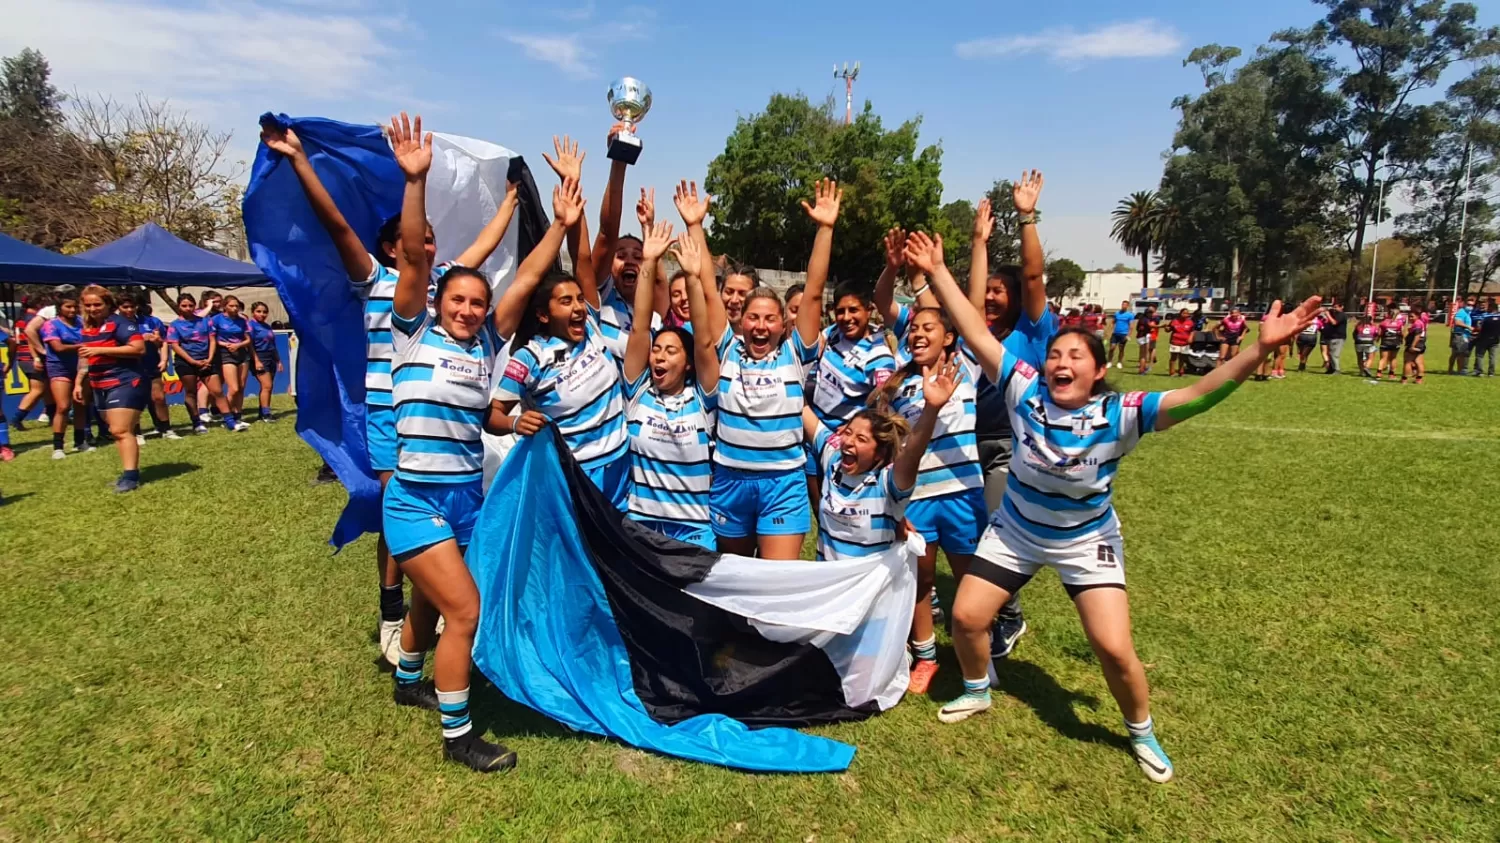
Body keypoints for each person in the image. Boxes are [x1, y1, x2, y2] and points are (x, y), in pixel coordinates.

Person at [908, 224, 1321, 783]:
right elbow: (976, 330)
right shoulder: (1023, 389)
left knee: (1112, 648)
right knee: (965, 616)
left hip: (1086, 540)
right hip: (1017, 531)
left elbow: (1198, 396)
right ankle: (979, 689)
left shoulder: (1121, 413)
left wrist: (1260, 349)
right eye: (1056, 353)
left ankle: (1141, 730)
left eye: (1076, 355)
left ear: (1098, 370)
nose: (1062, 361)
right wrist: (937, 271)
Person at [260, 118, 518, 667]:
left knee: (438, 509)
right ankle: (392, 610)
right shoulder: (376, 280)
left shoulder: (448, 286)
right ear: (390, 246)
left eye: (431, 239)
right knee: (398, 508)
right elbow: (336, 225)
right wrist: (301, 160)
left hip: (436, 413)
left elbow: (484, 245)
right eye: (417, 239)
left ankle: (436, 607)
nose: (427, 244)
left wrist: (511, 202)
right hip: (386, 412)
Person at [377, 114, 515, 772]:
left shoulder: (484, 346)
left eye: (476, 303)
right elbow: (412, 256)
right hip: (415, 500)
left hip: (466, 497)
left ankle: (409, 677)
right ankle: (458, 737)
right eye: (456, 300)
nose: (466, 310)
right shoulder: (412, 332)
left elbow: (522, 278)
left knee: (433, 597)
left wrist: (559, 225)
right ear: (438, 302)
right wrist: (416, 182)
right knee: (465, 610)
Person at [699, 180, 835, 560]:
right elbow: (709, 292)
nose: (760, 326)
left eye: (769, 318)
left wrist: (825, 229)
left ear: (783, 324)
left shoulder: (795, 354)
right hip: (730, 481)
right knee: (737, 581)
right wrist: (695, 226)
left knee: (776, 583)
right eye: (753, 318)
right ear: (741, 321)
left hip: (783, 484)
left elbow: (814, 290)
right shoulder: (728, 349)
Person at [490, 152, 630, 509]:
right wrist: (515, 423)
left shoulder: (592, 326)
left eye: (580, 299)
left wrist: (572, 183)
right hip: (575, 478)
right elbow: (493, 415)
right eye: (565, 302)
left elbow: (582, 258)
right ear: (542, 314)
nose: (579, 307)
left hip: (621, 468)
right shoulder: (529, 357)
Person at [868, 306, 984, 694]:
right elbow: (890, 446)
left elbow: (972, 316)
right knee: (921, 579)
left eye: (928, 328)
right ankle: (926, 656)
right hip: (918, 496)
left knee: (973, 581)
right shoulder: (897, 387)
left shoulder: (967, 366)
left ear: (949, 337)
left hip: (963, 494)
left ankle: (979, 656)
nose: (917, 334)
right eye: (913, 328)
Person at [619, 223, 720, 548]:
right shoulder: (638, 392)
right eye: (657, 349)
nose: (660, 356)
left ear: (688, 363)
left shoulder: (703, 399)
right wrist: (649, 261)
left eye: (671, 351)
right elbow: (639, 326)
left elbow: (704, 340)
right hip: (641, 527)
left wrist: (692, 277)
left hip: (694, 531)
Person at [802, 355, 956, 560]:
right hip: (829, 578)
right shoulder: (833, 457)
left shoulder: (888, 482)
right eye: (848, 432)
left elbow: (912, 452)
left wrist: (931, 408)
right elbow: (804, 410)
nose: (848, 442)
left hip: (871, 579)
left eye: (861, 439)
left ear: (880, 452)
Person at [77, 286, 147, 492]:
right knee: (116, 432)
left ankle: (131, 478)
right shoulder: (88, 327)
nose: (92, 309)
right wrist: (79, 383)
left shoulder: (121, 323)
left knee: (120, 430)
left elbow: (138, 348)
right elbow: (85, 357)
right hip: (99, 383)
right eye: (88, 305)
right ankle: (127, 474)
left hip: (125, 381)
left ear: (108, 304)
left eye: (97, 304)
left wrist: (100, 349)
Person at [166, 293, 225, 434]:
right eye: (184, 306)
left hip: (206, 360)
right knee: (191, 392)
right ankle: (197, 423)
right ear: (179, 306)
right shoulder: (174, 325)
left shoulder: (205, 321)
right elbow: (175, 345)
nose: (188, 308)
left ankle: (230, 420)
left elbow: (212, 340)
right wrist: (192, 361)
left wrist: (209, 358)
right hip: (186, 362)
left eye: (190, 305)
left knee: (217, 390)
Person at [41, 293, 89, 458]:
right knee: (63, 406)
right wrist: (81, 346)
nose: (72, 310)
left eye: (75, 306)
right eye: (68, 307)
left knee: (80, 404)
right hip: (59, 368)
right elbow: (58, 347)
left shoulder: (82, 322)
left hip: (81, 367)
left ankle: (80, 441)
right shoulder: (50, 325)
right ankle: (58, 447)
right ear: (59, 308)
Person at [129, 299, 178, 439]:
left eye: (132, 306)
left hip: (151, 363)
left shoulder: (151, 321)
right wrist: (141, 338)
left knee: (159, 398)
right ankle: (136, 433)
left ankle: (166, 429)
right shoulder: (118, 324)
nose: (129, 310)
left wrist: (164, 359)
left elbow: (163, 341)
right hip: (130, 367)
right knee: (135, 400)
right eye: (125, 307)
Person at [210, 295, 254, 432]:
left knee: (241, 387)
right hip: (225, 353)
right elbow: (212, 339)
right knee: (233, 388)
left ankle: (237, 416)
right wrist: (226, 345)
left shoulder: (242, 320)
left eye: (237, 306)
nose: (235, 308)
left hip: (242, 353)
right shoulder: (216, 319)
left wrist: (239, 345)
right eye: (231, 306)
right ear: (225, 306)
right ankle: (227, 417)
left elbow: (248, 339)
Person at [249, 302, 281, 423]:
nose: (262, 314)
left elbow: (272, 345)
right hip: (259, 356)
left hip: (270, 357)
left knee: (268, 387)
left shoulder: (267, 326)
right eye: (259, 311)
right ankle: (266, 415)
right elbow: (250, 345)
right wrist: (256, 361)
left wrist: (278, 361)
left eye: (264, 312)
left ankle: (262, 412)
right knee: (267, 385)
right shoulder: (251, 325)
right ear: (253, 312)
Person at [1376, 306, 1405, 380]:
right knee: (1393, 358)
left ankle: (1379, 373)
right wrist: (1402, 340)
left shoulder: (1383, 322)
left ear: (1388, 314)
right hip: (1395, 342)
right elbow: (1402, 333)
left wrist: (1378, 339)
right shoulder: (1399, 323)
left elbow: (1379, 333)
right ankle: (1391, 374)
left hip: (1385, 342)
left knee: (1383, 358)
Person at [1471, 299, 1498, 377]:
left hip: (1483, 339)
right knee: (1492, 357)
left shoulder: (1485, 317)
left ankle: (1480, 372)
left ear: (1491, 308)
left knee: (1480, 355)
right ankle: (1491, 373)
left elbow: (1480, 327)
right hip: (1495, 340)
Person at [1320, 300, 1347, 374]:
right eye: (1333, 307)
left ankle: (1337, 369)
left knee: (1334, 354)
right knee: (1330, 353)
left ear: (1342, 307)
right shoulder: (1334, 314)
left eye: (1336, 307)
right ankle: (1331, 369)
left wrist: (1327, 314)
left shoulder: (1341, 315)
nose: (1334, 309)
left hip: (1338, 337)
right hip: (1331, 337)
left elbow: (1334, 322)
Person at [1401, 308, 1428, 385]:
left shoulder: (1417, 324)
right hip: (1421, 345)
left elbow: (1417, 335)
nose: (1410, 318)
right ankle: (1419, 379)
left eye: (1412, 316)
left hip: (1414, 344)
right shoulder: (1420, 323)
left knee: (1407, 362)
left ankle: (1404, 379)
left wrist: (1412, 346)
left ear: (1417, 316)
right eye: (1409, 316)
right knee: (1418, 362)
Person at [1449, 295, 1475, 374]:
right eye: (1468, 304)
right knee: (1457, 353)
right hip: (1459, 335)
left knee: (1460, 353)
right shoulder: (1461, 312)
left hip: (1465, 335)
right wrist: (1468, 327)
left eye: (1472, 305)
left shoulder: (1468, 312)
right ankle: (1456, 370)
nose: (1470, 306)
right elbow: (1457, 322)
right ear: (1465, 304)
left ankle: (1457, 370)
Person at [1166, 308, 1195, 377]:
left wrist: (1191, 337)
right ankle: (1172, 373)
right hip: (1175, 342)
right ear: (1180, 313)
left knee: (1182, 358)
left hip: (1185, 343)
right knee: (1173, 358)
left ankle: (1181, 372)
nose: (1185, 315)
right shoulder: (1174, 321)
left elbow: (1192, 331)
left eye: (1187, 313)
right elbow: (1168, 329)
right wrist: (1166, 328)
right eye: (1184, 313)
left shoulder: (1190, 322)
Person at [1107, 301, 1134, 369]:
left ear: (1127, 306)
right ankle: (1109, 362)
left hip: (1123, 334)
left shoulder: (1130, 315)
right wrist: (1111, 331)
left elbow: (1131, 326)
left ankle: (1119, 362)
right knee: (1112, 348)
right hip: (1115, 334)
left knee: (1121, 349)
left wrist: (1128, 335)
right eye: (1122, 304)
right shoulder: (1117, 313)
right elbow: (1113, 322)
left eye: (1125, 305)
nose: (1123, 306)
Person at [1135, 305, 1161, 374]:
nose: (1152, 315)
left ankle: (1142, 368)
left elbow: (1138, 328)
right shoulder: (1145, 319)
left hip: (1141, 336)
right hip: (1143, 337)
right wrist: (1161, 326)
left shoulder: (1143, 318)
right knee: (1144, 355)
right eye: (1150, 313)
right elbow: (1150, 325)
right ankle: (1142, 370)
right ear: (1147, 313)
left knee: (1143, 354)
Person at [1353, 313, 1379, 378]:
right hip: (1369, 342)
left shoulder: (1358, 326)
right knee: (1370, 358)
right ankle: (1366, 367)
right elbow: (1376, 335)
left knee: (1359, 357)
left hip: (1358, 342)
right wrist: (1374, 339)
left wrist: (1356, 340)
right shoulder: (1373, 326)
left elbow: (1354, 334)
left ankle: (1361, 372)